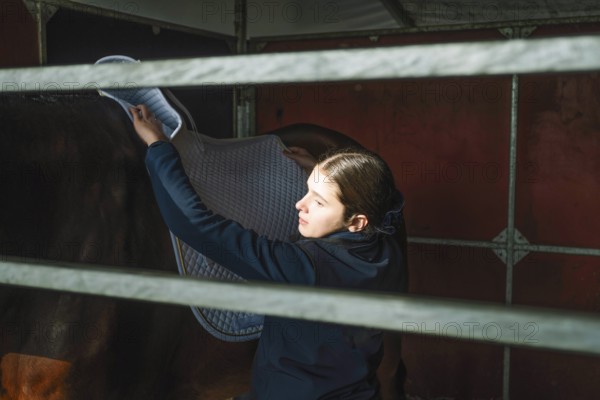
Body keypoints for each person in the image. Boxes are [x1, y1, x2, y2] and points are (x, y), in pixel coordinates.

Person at [130, 104, 407, 400]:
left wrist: (158, 145)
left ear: (356, 221)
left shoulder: (306, 267)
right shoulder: (383, 245)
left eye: (319, 203)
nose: (300, 204)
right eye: (307, 191)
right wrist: (321, 176)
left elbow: (199, 227)